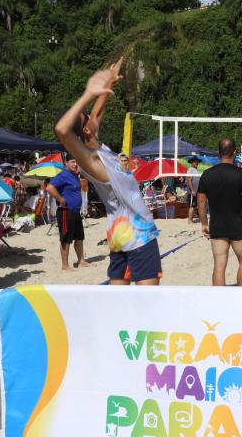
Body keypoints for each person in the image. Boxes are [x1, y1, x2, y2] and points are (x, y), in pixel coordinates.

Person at [55, 59, 162, 286]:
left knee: (117, 303)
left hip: (118, 234)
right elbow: (62, 129)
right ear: (85, 129)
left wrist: (109, 83)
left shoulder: (98, 149)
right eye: (87, 117)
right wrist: (88, 93)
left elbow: (96, 112)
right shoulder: (91, 160)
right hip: (138, 235)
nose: (93, 118)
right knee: (149, 305)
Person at [197, 138, 242, 286]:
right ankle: (241, 298)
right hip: (237, 225)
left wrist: (204, 224)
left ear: (218, 153)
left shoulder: (207, 174)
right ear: (234, 152)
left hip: (217, 225)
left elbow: (200, 202)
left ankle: (219, 302)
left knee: (219, 265)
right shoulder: (240, 174)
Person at [46, 156, 89, 270]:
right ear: (66, 163)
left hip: (75, 211)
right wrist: (60, 199)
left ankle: (81, 261)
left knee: (79, 237)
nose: (75, 164)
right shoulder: (63, 175)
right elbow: (49, 188)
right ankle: (65, 265)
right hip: (66, 211)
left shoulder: (75, 175)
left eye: (77, 162)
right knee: (66, 239)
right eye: (73, 161)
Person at [186, 156, 203, 223]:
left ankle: (195, 218)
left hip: (196, 191)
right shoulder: (190, 169)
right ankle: (190, 220)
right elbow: (189, 180)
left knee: (195, 205)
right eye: (195, 161)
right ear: (191, 162)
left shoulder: (195, 170)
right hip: (192, 191)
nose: (196, 163)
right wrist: (192, 190)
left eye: (197, 161)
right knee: (192, 205)